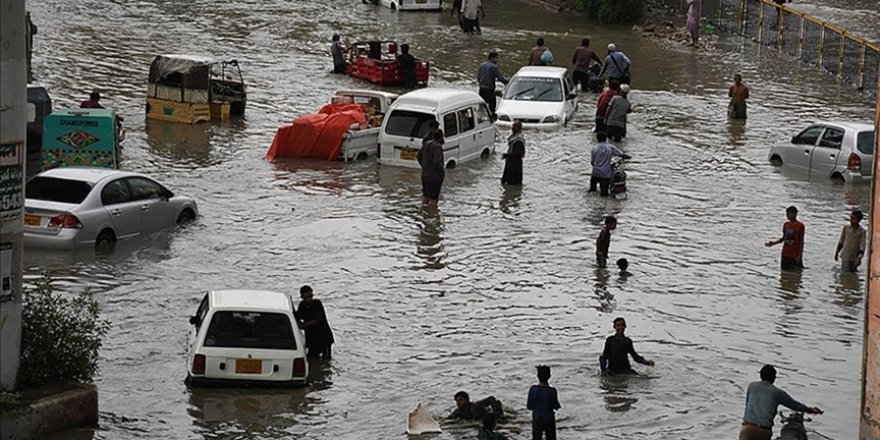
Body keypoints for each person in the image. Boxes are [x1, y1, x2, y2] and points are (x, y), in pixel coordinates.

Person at [739, 365, 823, 440]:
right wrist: (811, 410)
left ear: (760, 375)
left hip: (747, 428)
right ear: (774, 378)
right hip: (764, 431)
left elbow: (747, 406)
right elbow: (794, 405)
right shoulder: (777, 392)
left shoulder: (751, 386)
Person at [296, 285, 335, 359]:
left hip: (324, 338)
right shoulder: (302, 306)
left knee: (326, 360)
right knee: (312, 359)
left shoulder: (317, 304)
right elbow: (297, 316)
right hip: (312, 340)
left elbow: (315, 320)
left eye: (310, 296)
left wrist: (302, 326)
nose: (309, 299)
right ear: (302, 297)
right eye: (306, 297)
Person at [590, 132, 631, 197]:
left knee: (592, 192)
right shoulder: (610, 147)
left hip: (595, 173)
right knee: (604, 194)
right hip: (605, 174)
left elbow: (592, 162)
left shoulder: (594, 148)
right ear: (606, 139)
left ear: (597, 139)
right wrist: (627, 157)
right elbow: (620, 154)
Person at [765, 206, 805, 270]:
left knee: (796, 273)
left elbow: (801, 242)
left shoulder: (800, 226)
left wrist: (799, 256)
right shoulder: (786, 224)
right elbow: (784, 238)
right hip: (785, 253)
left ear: (795, 214)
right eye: (786, 214)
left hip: (794, 254)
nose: (787, 216)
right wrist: (774, 243)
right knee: (784, 273)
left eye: (789, 214)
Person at [526, 365, 560, 440]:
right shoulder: (552, 391)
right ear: (549, 376)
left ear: (537, 376)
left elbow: (529, 406)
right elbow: (556, 406)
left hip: (537, 419)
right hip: (549, 420)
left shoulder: (533, 389)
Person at [417, 130, 445, 206]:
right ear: (441, 137)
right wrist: (441, 174)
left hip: (425, 175)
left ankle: (424, 213)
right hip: (434, 177)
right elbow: (437, 162)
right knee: (434, 199)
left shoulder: (426, 144)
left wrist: (425, 166)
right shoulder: (438, 147)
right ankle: (432, 215)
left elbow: (418, 156)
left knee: (425, 197)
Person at [477, 51, 508, 120]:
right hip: (489, 89)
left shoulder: (482, 65)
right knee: (492, 107)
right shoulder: (494, 67)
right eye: (497, 58)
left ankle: (480, 119)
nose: (498, 60)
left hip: (482, 88)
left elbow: (478, 77)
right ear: (492, 58)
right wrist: (508, 82)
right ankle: (492, 120)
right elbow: (500, 78)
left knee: (482, 106)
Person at [501, 121, 525, 185]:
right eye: (513, 126)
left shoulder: (519, 140)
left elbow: (519, 153)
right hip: (510, 161)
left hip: (515, 164)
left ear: (520, 128)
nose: (513, 128)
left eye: (515, 126)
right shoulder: (513, 137)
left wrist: (508, 155)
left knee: (512, 182)